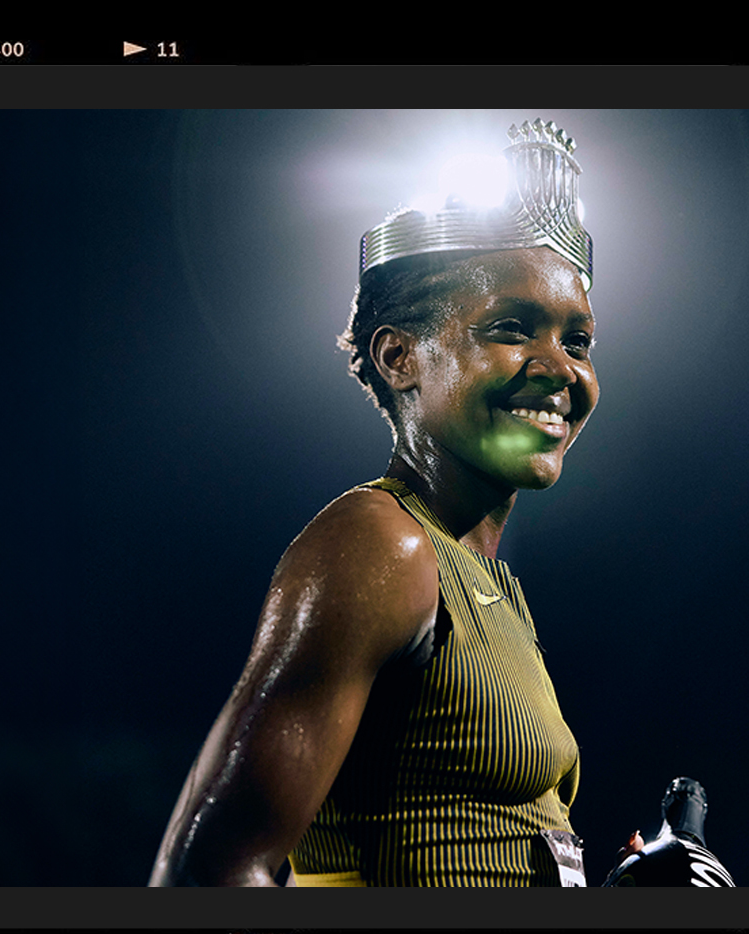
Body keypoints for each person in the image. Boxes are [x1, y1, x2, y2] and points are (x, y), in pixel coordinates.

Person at [149, 120, 599, 886]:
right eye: (512, 329)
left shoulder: (491, 585)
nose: (560, 369)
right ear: (400, 358)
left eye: (579, 341)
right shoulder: (379, 547)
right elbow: (207, 878)